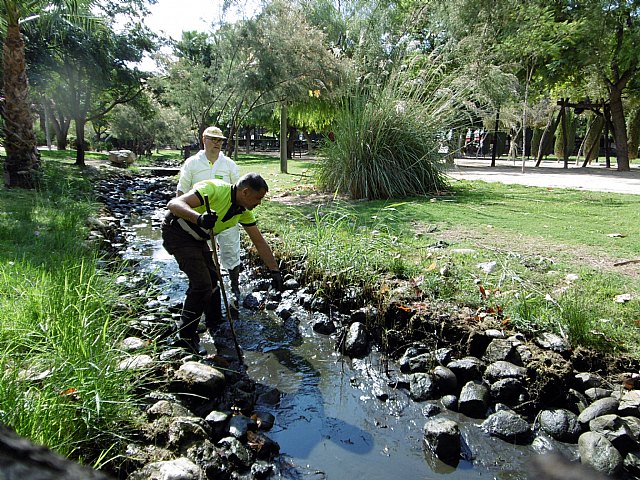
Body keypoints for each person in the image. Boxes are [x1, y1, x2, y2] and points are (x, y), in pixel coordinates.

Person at [162, 172, 283, 354]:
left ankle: (215, 323)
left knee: (212, 280)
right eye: (258, 198)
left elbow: (259, 242)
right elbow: (174, 204)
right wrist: (199, 218)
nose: (259, 203)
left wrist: (275, 271)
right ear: (245, 192)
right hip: (177, 233)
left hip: (198, 239)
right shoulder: (214, 189)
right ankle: (185, 336)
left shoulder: (243, 212)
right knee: (202, 285)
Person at [177, 126, 243, 313]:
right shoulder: (192, 163)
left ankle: (235, 286)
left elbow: (239, 192)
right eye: (213, 139)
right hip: (200, 221)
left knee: (231, 251)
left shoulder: (229, 165)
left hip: (226, 218)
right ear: (203, 139)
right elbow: (181, 192)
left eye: (220, 140)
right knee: (203, 257)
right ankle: (207, 289)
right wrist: (185, 217)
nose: (217, 143)